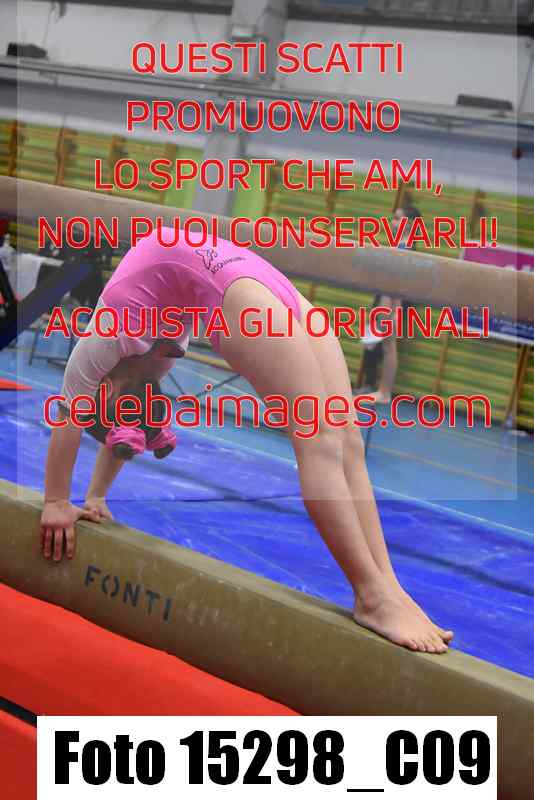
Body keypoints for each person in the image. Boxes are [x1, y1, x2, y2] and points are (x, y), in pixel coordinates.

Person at [40, 230, 453, 654]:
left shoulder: (107, 334)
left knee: (330, 442)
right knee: (338, 441)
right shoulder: (149, 356)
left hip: (243, 293)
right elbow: (130, 423)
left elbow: (70, 417)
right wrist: (95, 496)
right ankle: (382, 589)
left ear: (104, 392)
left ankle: (380, 591)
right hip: (255, 280)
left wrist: (56, 501)